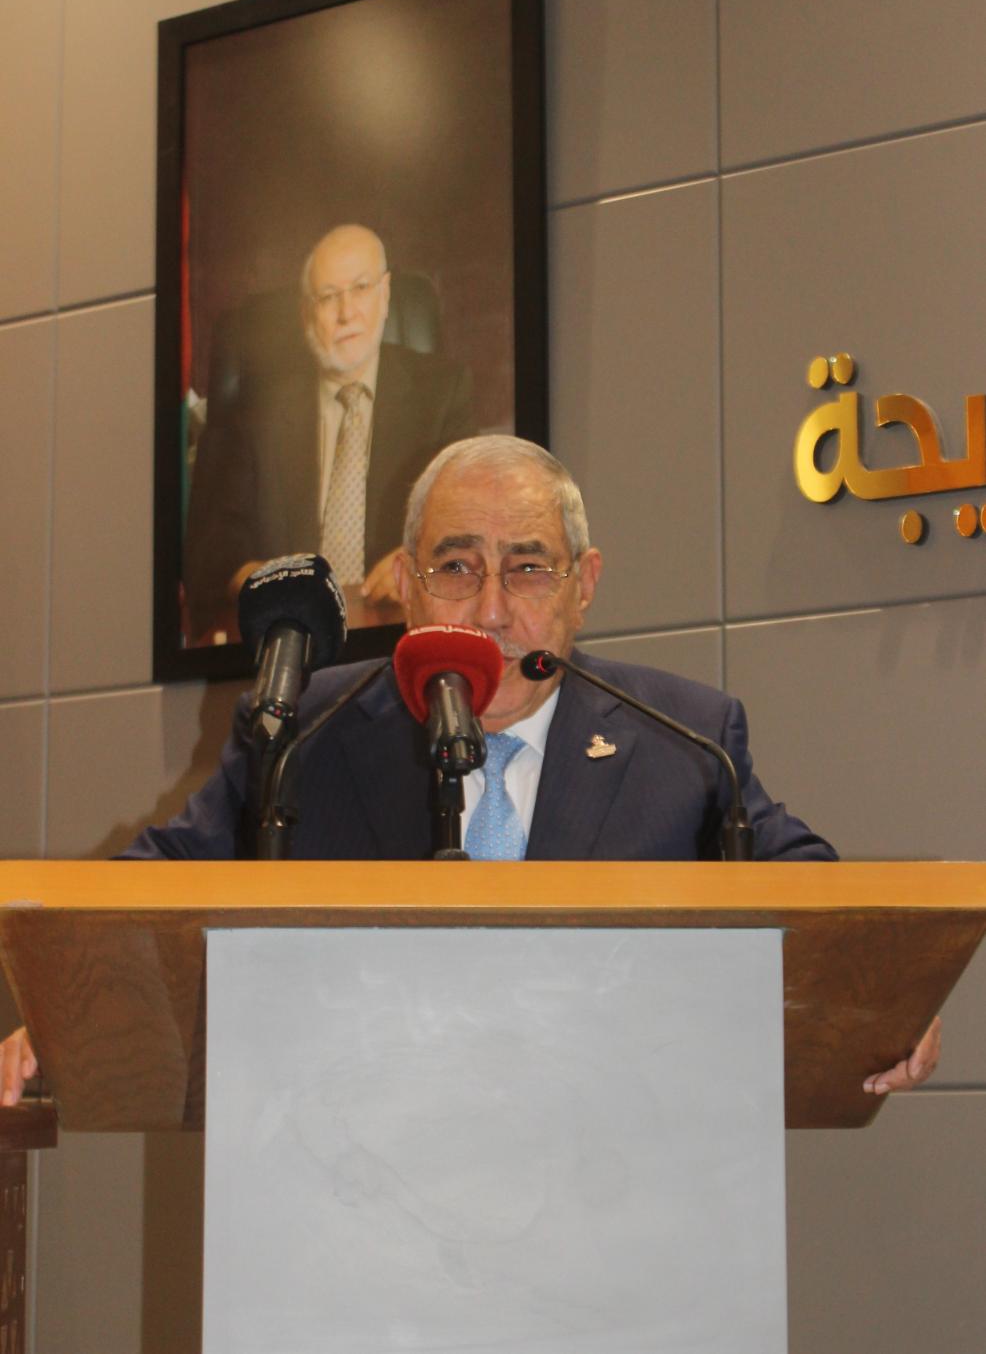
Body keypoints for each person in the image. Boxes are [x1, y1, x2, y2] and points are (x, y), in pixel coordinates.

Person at [0, 436, 941, 1102]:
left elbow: (812, 892)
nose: (490, 609)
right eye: (455, 567)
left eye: (528, 568)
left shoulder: (687, 741)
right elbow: (159, 880)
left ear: (585, 585)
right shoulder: (308, 733)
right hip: (344, 1183)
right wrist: (63, 1013)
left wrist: (876, 1001)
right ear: (407, 584)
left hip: (622, 1188)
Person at [183, 223, 475, 639]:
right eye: (328, 297)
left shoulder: (442, 393)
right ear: (307, 313)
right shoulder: (254, 411)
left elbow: (469, 522)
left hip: (401, 637)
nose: (346, 313)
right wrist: (265, 581)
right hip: (293, 641)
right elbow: (212, 552)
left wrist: (422, 561)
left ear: (385, 295)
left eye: (361, 288)